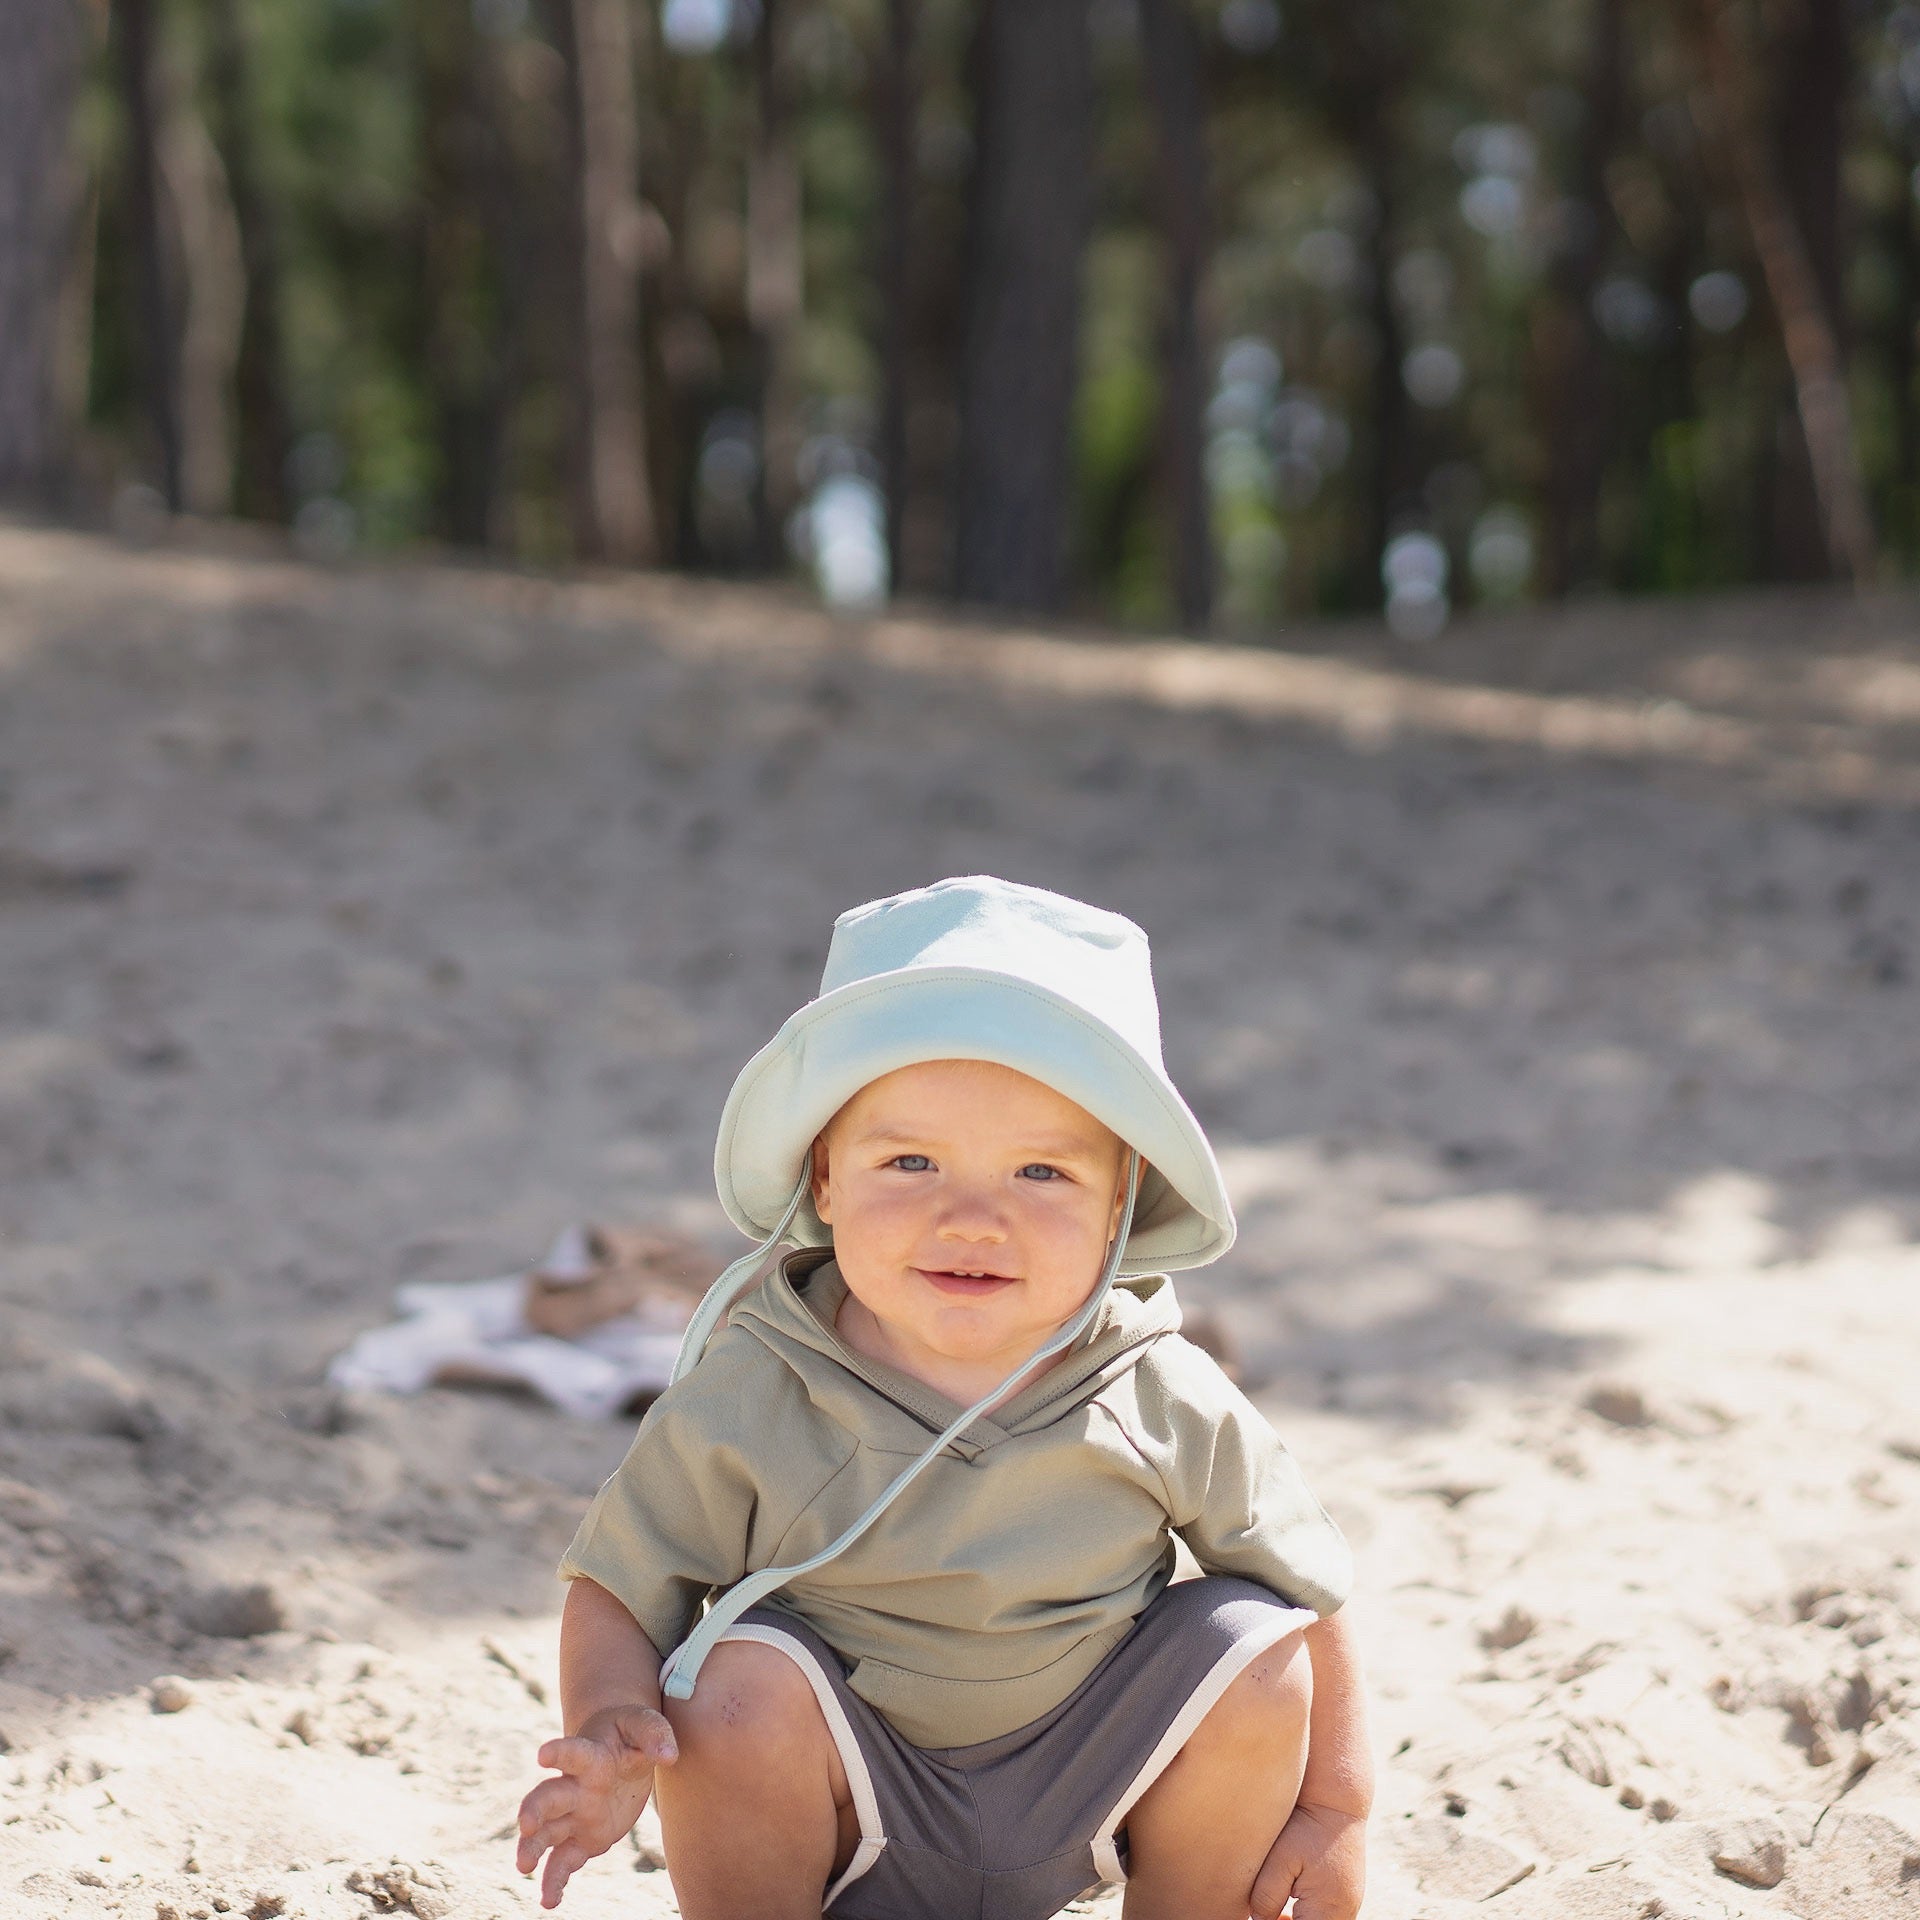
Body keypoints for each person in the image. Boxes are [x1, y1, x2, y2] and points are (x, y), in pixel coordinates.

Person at [516, 875, 1370, 1920]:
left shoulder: (1154, 1385)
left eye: (1041, 1174)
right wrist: (607, 1719)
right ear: (825, 1178)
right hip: (845, 1799)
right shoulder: (759, 1385)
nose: (971, 1218)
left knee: (1252, 1637)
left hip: (1095, 1784)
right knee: (732, 1680)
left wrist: (1337, 1807)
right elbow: (618, 1579)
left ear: (1120, 1203)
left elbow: (1311, 1586)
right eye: (910, 1161)